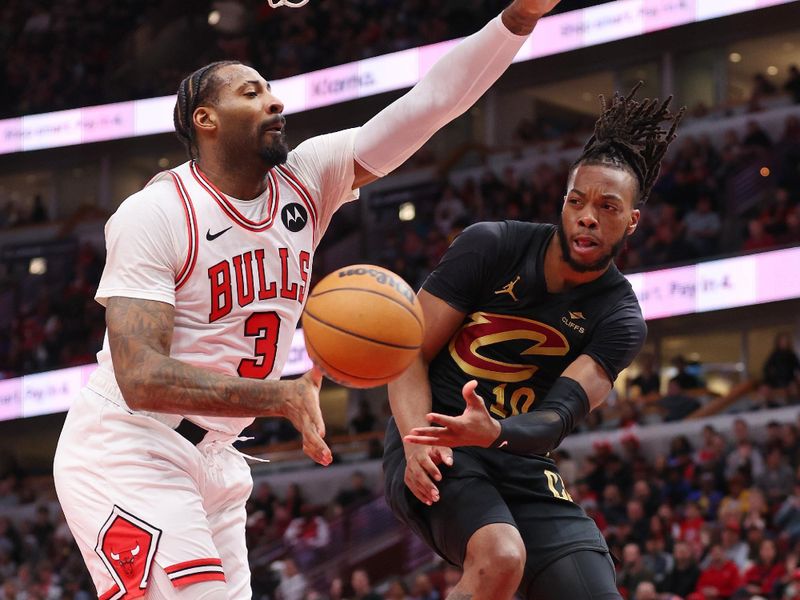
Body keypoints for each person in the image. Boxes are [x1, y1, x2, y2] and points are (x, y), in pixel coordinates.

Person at [51, 1, 564, 598]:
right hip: (129, 446)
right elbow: (139, 377)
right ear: (206, 120)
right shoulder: (156, 214)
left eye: (271, 89)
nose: (275, 101)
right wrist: (281, 395)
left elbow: (431, 104)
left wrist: (518, 18)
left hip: (217, 457)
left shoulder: (306, 179)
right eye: (251, 93)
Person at [383, 84, 684, 599]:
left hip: (518, 455)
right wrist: (417, 440)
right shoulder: (491, 245)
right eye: (576, 201)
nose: (587, 215)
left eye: (607, 207)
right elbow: (408, 353)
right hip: (437, 439)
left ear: (632, 221)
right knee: (501, 556)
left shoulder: (620, 316)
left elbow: (556, 418)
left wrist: (495, 430)